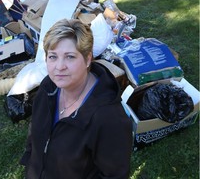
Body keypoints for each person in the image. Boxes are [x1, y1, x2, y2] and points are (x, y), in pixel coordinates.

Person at [20, 18, 133, 179]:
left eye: (70, 57)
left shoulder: (109, 118)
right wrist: (31, 160)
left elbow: (114, 175)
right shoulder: (49, 87)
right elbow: (36, 130)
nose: (59, 67)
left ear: (87, 59)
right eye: (53, 56)